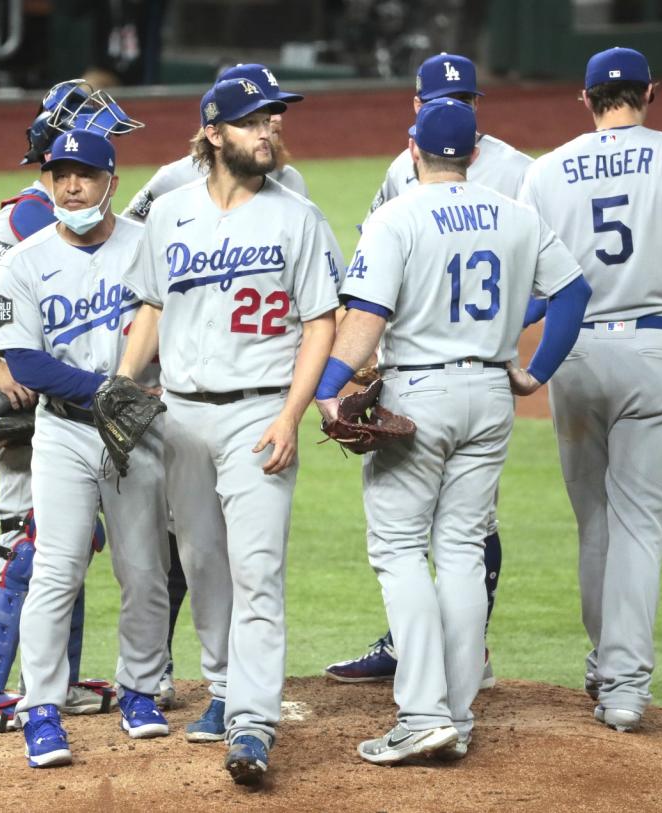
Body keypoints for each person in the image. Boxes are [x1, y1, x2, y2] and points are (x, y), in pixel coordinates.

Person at [316, 97, 589, 764]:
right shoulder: (516, 213)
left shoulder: (395, 215)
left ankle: (420, 713)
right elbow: (573, 291)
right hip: (489, 394)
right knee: (463, 548)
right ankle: (457, 716)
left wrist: (326, 390)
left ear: (413, 149)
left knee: (400, 547)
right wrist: (533, 372)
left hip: (420, 390)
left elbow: (365, 320)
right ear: (472, 151)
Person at [117, 78, 341, 785]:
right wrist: (123, 382)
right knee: (203, 561)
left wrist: (290, 414)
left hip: (258, 412)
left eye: (273, 118)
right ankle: (221, 688)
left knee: (258, 569)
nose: (269, 130)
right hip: (181, 412)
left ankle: (252, 722)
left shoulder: (296, 217)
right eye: (252, 121)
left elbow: (321, 323)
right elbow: (151, 302)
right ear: (213, 133)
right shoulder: (170, 212)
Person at [519, 47, 662, 732]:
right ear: (649, 91)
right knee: (638, 523)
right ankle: (622, 689)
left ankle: (601, 662)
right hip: (653, 349)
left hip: (575, 351)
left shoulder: (545, 168)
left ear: (583, 98)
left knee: (594, 520)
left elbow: (523, 275)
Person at [325, 51, 532, 688]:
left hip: (440, 371)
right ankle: (439, 668)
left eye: (466, 99)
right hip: (460, 377)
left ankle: (455, 672)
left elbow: (549, 282)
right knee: (453, 536)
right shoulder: (400, 172)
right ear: (415, 108)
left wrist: (332, 379)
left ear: (478, 107)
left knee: (440, 533)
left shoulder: (522, 173)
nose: (455, 108)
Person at [0, 80, 130, 733]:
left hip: (76, 400)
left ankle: (56, 681)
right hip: (33, 405)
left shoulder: (75, 212)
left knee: (68, 541)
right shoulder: (27, 213)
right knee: (29, 538)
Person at [0, 128, 172, 768]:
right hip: (63, 433)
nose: (71, 185)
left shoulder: (149, 248)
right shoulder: (24, 261)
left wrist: (133, 394)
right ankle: (40, 705)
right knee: (57, 570)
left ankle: (141, 690)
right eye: (59, 173)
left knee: (144, 568)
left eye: (85, 174)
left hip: (141, 428)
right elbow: (23, 361)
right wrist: (106, 391)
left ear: (111, 181)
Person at [123, 62, 308, 222]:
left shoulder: (291, 181)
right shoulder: (174, 180)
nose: (276, 119)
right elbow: (128, 237)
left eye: (272, 111)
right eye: (253, 116)